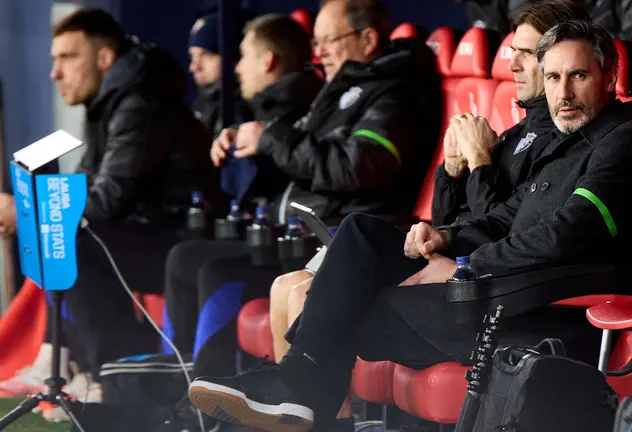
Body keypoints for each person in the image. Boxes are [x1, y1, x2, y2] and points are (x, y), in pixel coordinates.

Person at [187, 20, 632, 432]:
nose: (562, 92)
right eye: (554, 77)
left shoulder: (621, 142)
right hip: (493, 287)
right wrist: (445, 238)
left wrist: (463, 265)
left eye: (578, 76)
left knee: (346, 309)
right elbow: (505, 215)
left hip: (528, 307)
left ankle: (302, 384)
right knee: (360, 232)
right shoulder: (563, 142)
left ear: (608, 76)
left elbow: (571, 234)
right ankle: (300, 380)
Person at [267, 0, 590, 383]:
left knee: (313, 296)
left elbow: (507, 225)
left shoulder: (561, 140)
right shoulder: (521, 131)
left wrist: (481, 162)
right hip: (457, 260)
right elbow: (451, 216)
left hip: (482, 284)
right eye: (512, 52)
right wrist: (454, 170)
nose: (512, 65)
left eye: (526, 54)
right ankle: (287, 394)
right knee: (304, 276)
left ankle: (299, 396)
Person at [157, 0, 442, 429]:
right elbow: (309, 157)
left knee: (277, 287)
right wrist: (253, 142)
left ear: (367, 38)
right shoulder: (338, 88)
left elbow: (357, 166)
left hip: (359, 235)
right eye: (317, 41)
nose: (320, 51)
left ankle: (240, 412)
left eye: (330, 40)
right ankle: (290, 411)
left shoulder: (396, 92)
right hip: (316, 231)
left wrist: (271, 138)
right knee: (277, 285)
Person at [0, 8, 219, 399]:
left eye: (67, 58)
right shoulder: (113, 100)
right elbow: (90, 185)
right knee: (68, 234)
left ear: (104, 59)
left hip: (182, 240)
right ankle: (86, 364)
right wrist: (36, 206)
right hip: (153, 232)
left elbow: (107, 202)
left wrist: (25, 211)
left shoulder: (139, 103)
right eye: (53, 59)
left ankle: (116, 380)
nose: (55, 73)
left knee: (76, 241)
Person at [188, 9, 254, 137]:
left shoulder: (243, 112)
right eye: (192, 56)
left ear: (235, 57)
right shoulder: (202, 103)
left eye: (206, 55)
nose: (194, 66)